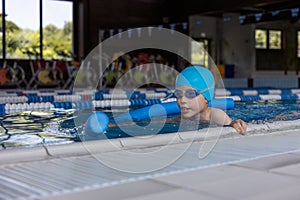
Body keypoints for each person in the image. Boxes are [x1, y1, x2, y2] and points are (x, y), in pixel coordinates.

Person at [174, 65, 247, 134]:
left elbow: (232, 124)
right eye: (178, 94)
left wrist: (234, 123)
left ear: (206, 98)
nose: (182, 100)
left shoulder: (215, 115)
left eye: (190, 94)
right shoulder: (183, 118)